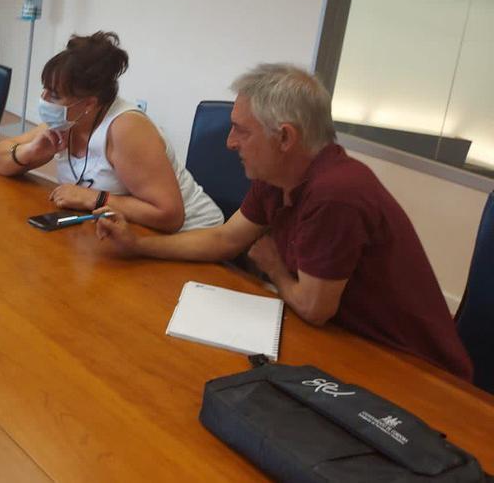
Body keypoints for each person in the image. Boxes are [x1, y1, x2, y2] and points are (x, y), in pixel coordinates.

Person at [96, 63, 474, 380]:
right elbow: (226, 239)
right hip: (342, 343)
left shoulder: (337, 193)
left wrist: (274, 267)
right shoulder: (276, 177)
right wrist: (139, 246)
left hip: (412, 370)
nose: (230, 143)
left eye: (241, 130)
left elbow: (314, 308)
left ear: (285, 137)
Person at [0, 32, 223, 232]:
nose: (44, 100)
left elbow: (170, 216)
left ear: (89, 103)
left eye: (54, 95)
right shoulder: (68, 120)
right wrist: (28, 153)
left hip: (191, 234)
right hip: (125, 230)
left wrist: (93, 198)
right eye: (45, 90)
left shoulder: (126, 128)